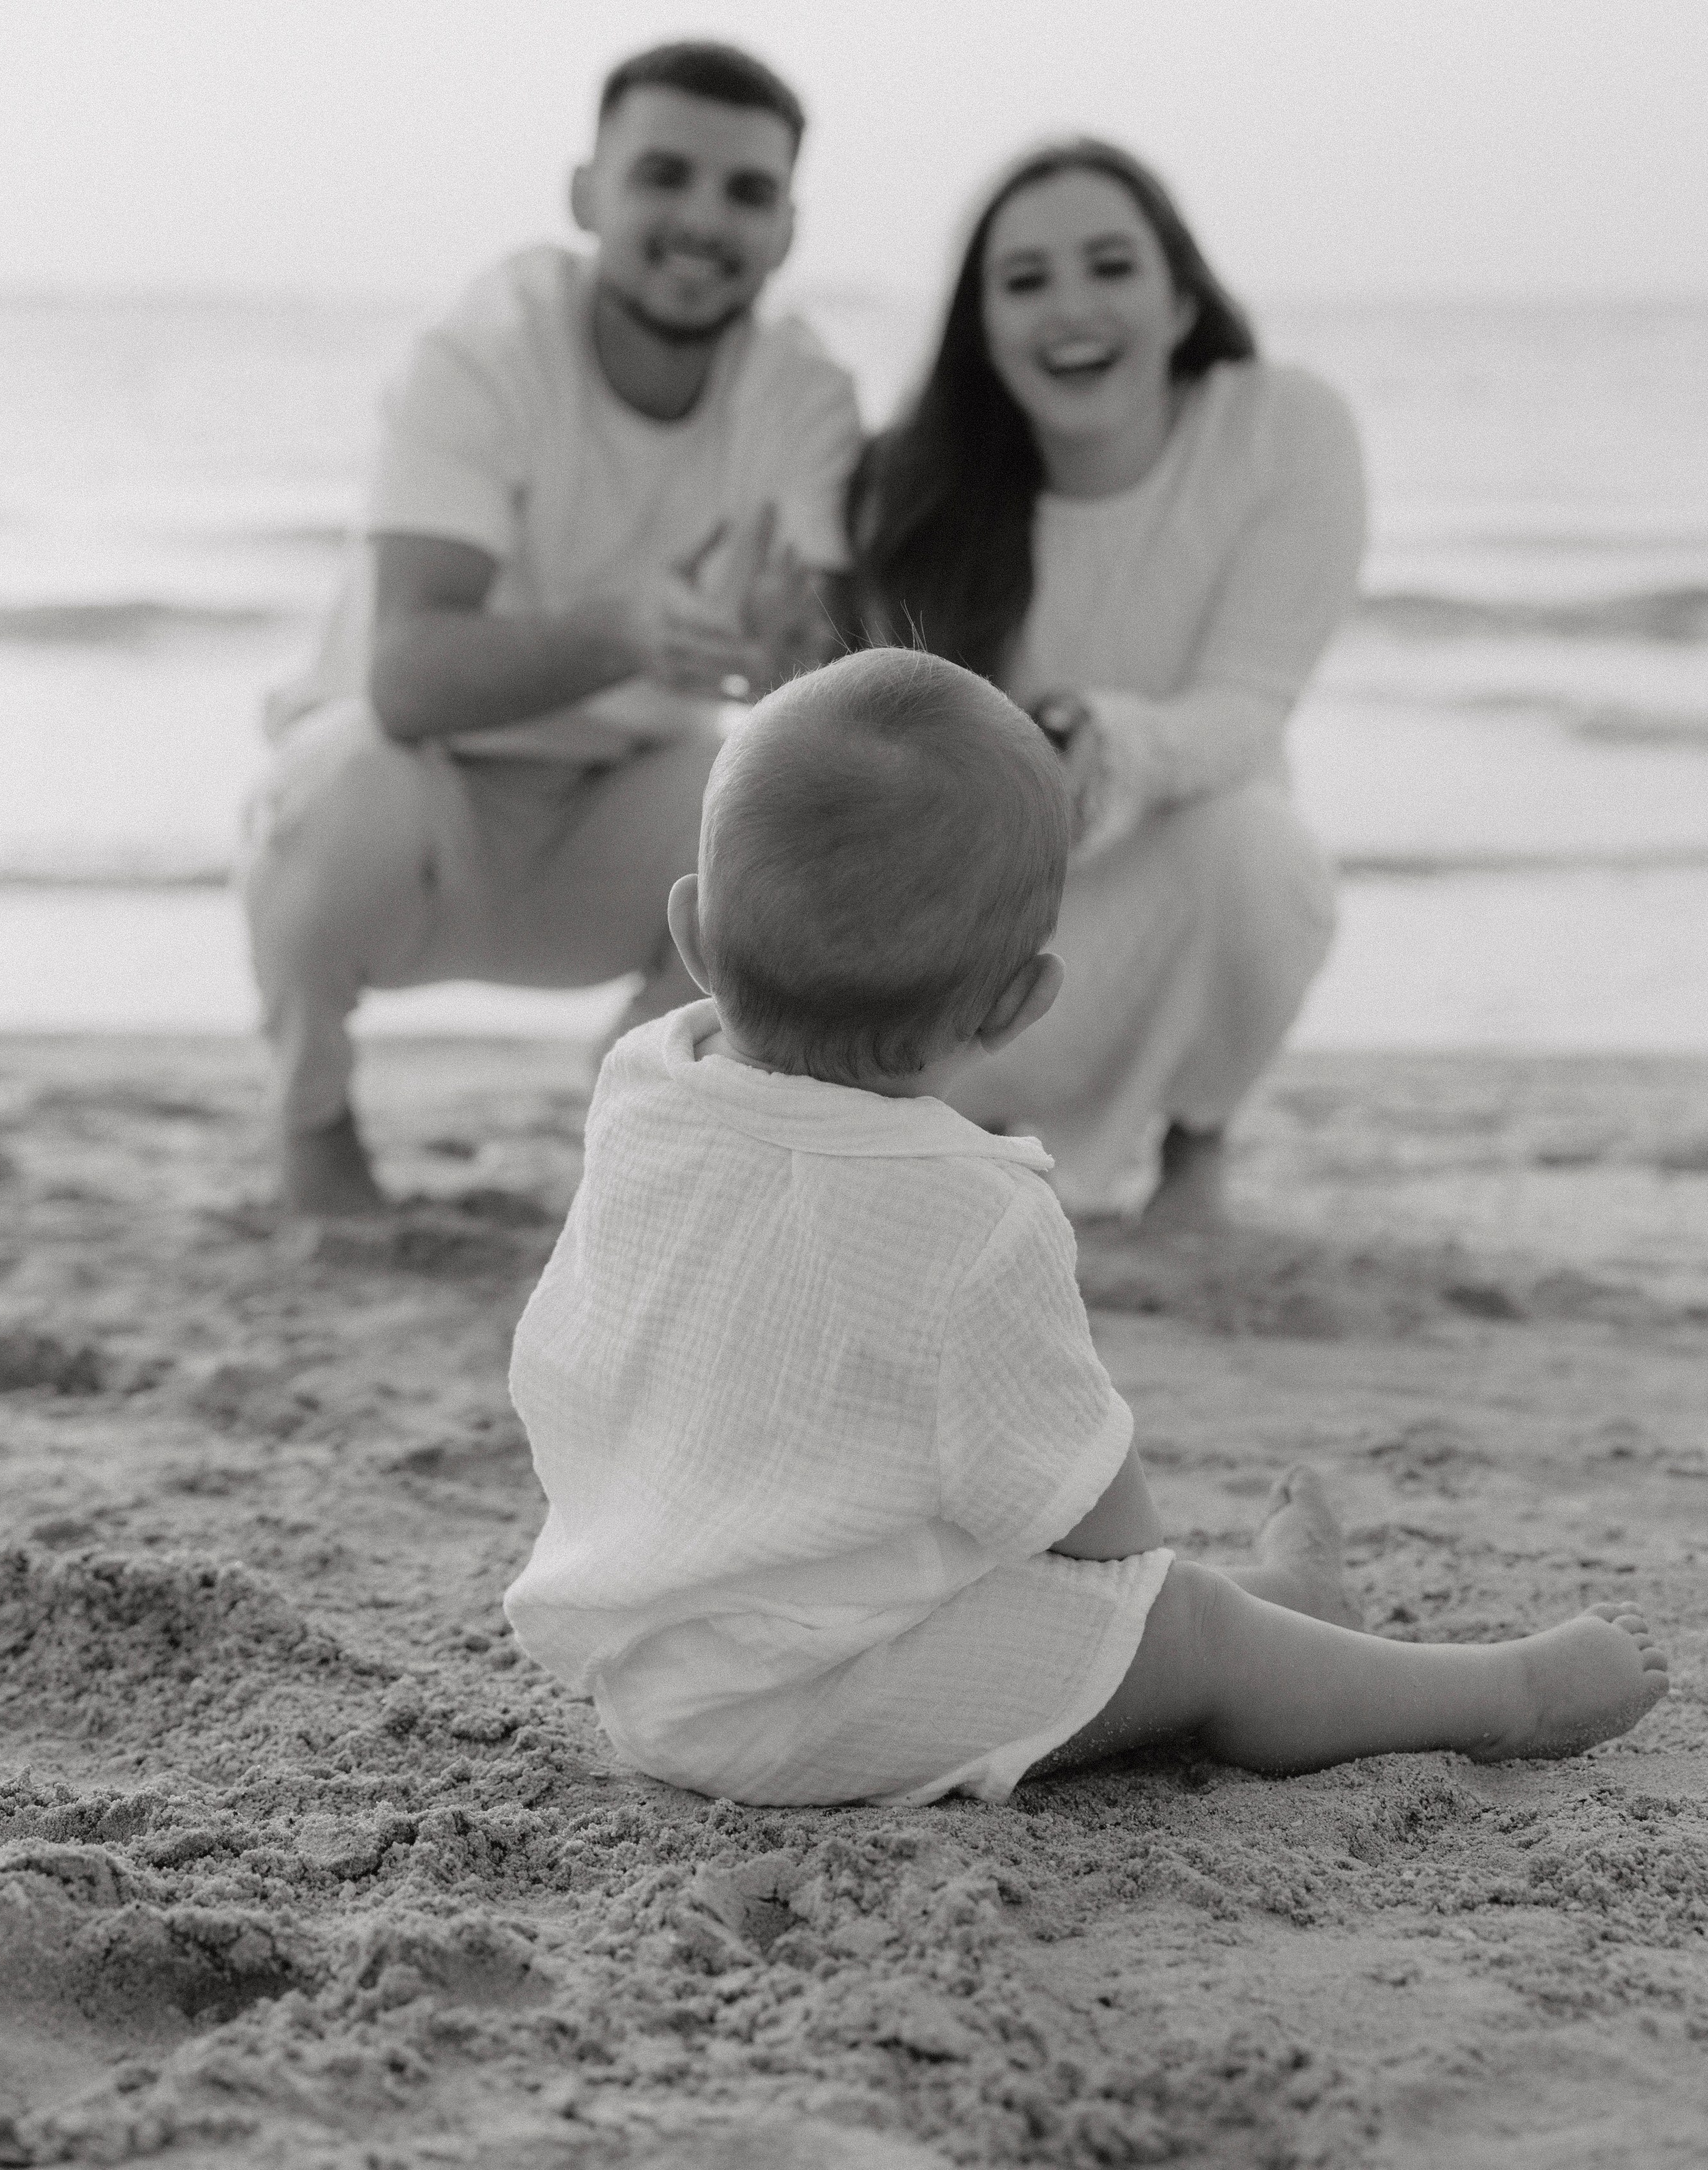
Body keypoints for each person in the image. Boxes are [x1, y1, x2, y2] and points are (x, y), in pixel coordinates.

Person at [502, 651, 1667, 1808]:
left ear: (695, 933)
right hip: (809, 1711)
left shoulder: (644, 1090)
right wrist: (1148, 1590)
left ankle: (1282, 1598)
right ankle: (1496, 1695)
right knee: (1184, 1627)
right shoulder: (971, 1212)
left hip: (657, 1673)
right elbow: (1091, 1513)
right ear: (1019, 1005)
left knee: (979, 1551)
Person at [241, 40, 863, 1213]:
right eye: (663, 176)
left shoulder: (804, 399)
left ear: (786, 230)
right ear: (588, 194)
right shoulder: (485, 352)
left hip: (614, 831)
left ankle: (632, 1115)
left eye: (747, 193)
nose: (702, 219)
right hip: (413, 819)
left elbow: (803, 690)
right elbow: (407, 680)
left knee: (794, 804)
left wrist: (789, 661)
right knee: (342, 784)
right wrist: (626, 630)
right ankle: (315, 1129)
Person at [848, 139, 1369, 1226]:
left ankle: (1197, 1147)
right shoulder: (912, 488)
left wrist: (1106, 744)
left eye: (1111, 266)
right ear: (982, 330)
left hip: (1180, 889)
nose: (1070, 308)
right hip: (981, 932)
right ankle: (970, 1132)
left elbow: (1249, 705)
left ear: (1181, 298)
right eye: (1025, 282)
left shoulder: (1283, 429)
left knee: (1260, 851)